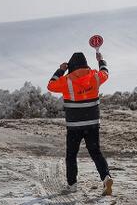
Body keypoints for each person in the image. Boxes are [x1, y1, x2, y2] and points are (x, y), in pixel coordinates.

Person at [47, 52, 113, 196]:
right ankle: (106, 177)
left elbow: (51, 86)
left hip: (74, 126)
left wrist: (60, 70)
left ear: (71, 65)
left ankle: (72, 185)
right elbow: (105, 73)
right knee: (95, 152)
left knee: (71, 155)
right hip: (93, 124)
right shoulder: (95, 76)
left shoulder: (66, 80)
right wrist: (101, 60)